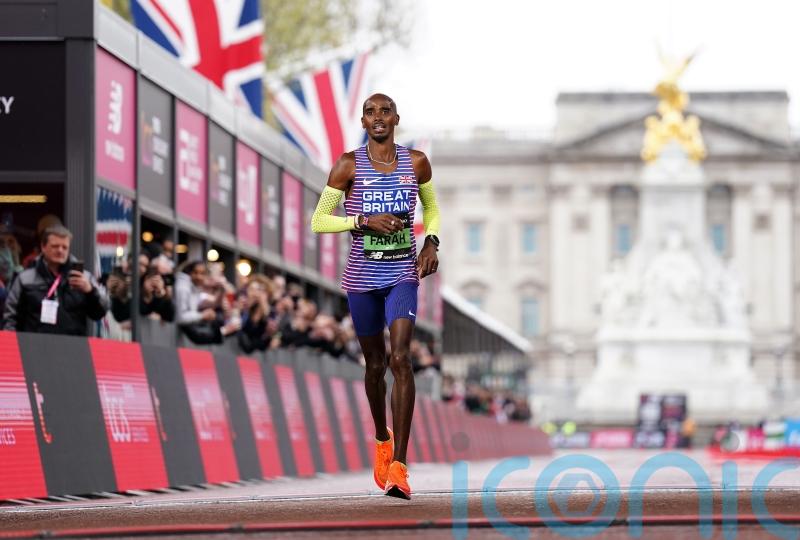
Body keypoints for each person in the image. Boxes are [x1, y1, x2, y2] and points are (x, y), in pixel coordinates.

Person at [311, 93, 440, 500]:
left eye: (385, 111)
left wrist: (431, 241)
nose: (378, 117)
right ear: (364, 122)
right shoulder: (348, 165)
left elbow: (431, 207)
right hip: (362, 278)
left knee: (401, 359)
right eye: (370, 112)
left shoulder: (416, 162)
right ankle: (382, 438)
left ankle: (399, 467)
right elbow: (319, 220)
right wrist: (361, 219)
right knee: (375, 365)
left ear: (396, 118)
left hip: (402, 273)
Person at [3, 225, 109, 335]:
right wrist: (11, 345)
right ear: (43, 247)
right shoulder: (25, 278)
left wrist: (90, 291)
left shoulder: (83, 278)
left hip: (73, 348)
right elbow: (10, 316)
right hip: (34, 347)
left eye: (64, 247)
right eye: (55, 246)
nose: (60, 251)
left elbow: (100, 313)